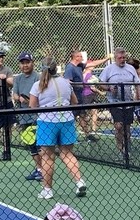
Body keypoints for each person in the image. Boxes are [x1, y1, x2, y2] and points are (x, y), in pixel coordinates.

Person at [29, 57, 87, 200]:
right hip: (66, 120)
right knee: (67, 154)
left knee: (47, 157)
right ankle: (79, 182)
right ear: (56, 68)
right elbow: (74, 101)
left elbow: (32, 106)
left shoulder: (37, 85)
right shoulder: (65, 83)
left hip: (47, 122)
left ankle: (47, 190)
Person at [97, 47, 140, 155]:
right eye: (120, 58)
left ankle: (127, 147)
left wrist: (138, 96)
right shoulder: (109, 69)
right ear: (115, 58)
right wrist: (109, 88)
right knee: (118, 125)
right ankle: (120, 148)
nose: (122, 60)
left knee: (126, 127)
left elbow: (137, 84)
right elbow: (100, 83)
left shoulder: (130, 68)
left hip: (128, 101)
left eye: (124, 58)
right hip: (115, 101)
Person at [64, 50, 110, 141]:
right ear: (76, 57)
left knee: (83, 115)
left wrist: (106, 59)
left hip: (80, 95)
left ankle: (88, 135)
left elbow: (93, 64)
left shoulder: (80, 66)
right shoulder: (70, 67)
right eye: (80, 56)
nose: (82, 58)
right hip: (73, 96)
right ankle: (67, 136)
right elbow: (67, 81)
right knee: (71, 116)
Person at [11, 52, 42, 181]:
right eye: (22, 63)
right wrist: (21, 99)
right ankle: (39, 169)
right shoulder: (18, 78)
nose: (25, 65)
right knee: (31, 144)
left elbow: (41, 94)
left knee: (39, 144)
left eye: (27, 62)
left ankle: (44, 170)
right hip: (24, 116)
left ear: (32, 63)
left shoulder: (38, 77)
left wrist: (31, 100)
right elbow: (14, 94)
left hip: (36, 116)